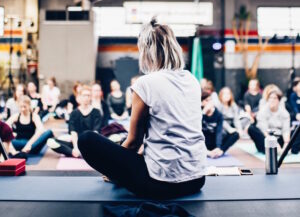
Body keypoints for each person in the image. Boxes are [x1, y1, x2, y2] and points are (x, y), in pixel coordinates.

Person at [78, 19, 206, 199]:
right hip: (197, 179)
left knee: (87, 140)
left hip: (161, 184)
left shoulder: (145, 83)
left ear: (146, 51)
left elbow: (133, 143)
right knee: (121, 141)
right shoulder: (192, 80)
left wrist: (114, 169)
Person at [47, 85, 104, 157]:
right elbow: (73, 132)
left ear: (91, 97)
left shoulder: (96, 112)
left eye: (88, 95)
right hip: (77, 143)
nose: (86, 97)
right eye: (84, 95)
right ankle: (74, 152)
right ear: (79, 97)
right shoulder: (74, 113)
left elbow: (96, 131)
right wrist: (76, 147)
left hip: (92, 143)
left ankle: (84, 152)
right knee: (50, 142)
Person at [247, 89, 295, 154]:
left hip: (280, 138)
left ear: (279, 100)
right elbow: (264, 131)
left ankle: (288, 149)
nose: (272, 100)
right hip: (266, 139)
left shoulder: (284, 113)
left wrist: (286, 144)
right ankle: (271, 150)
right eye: (270, 98)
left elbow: (286, 130)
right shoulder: (263, 112)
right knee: (251, 128)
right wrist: (275, 145)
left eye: (275, 98)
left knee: (297, 131)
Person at [202, 91, 239, 158]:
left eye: (211, 100)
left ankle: (219, 152)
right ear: (202, 103)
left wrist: (218, 147)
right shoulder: (199, 113)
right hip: (203, 143)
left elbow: (218, 132)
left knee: (235, 134)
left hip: (214, 142)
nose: (210, 102)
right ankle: (207, 152)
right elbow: (196, 129)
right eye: (207, 100)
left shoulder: (218, 114)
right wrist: (204, 112)